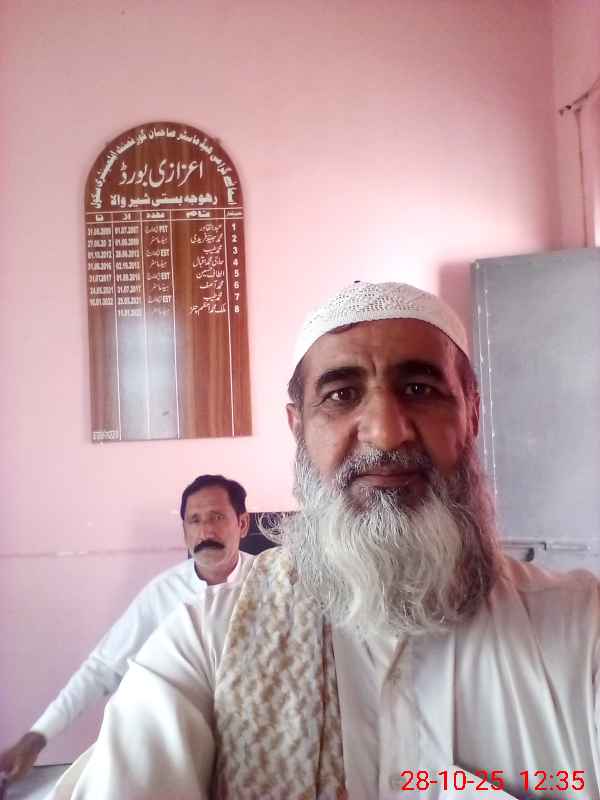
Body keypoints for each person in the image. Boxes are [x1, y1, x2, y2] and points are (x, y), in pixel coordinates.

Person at [53, 283, 600, 800]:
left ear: (471, 413)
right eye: (341, 394)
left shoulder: (583, 630)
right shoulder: (207, 643)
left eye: (419, 389)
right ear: (299, 429)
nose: (385, 432)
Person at [0, 474, 254, 787]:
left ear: (242, 524)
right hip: (179, 740)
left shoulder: (273, 582)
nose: (206, 532)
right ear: (184, 532)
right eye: (195, 520)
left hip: (255, 735)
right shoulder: (165, 591)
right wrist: (38, 736)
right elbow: (103, 667)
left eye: (217, 517)